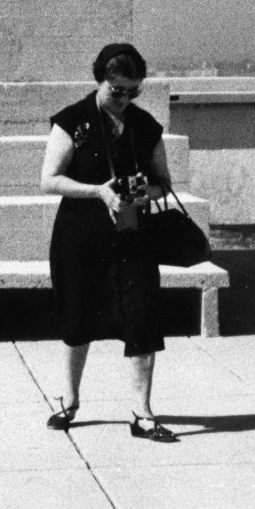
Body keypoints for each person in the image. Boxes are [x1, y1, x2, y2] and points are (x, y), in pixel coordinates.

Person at [40, 42, 180, 443]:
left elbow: (163, 183)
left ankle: (143, 412)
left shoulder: (145, 125)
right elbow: (49, 179)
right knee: (76, 316)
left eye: (132, 91)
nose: (124, 99)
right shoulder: (73, 120)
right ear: (99, 80)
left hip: (132, 236)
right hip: (80, 237)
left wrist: (142, 193)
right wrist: (98, 192)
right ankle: (69, 401)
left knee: (142, 319)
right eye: (116, 90)